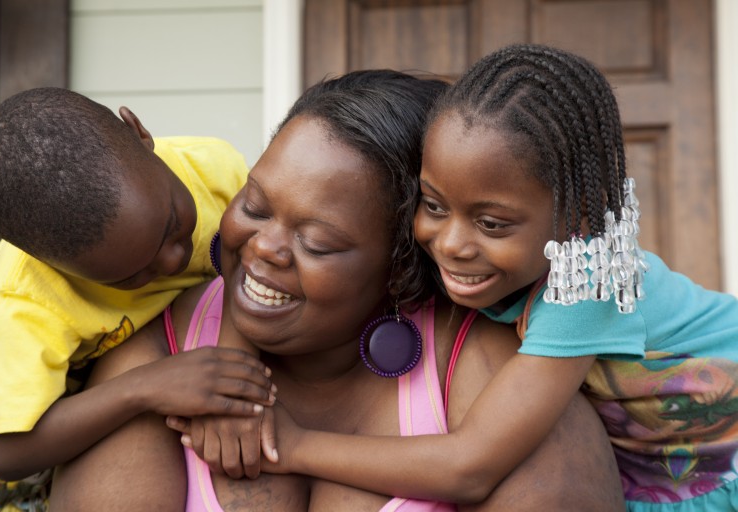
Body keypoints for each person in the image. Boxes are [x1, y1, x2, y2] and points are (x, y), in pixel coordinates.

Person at [48, 69, 624, 511]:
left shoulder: (490, 372)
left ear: (402, 266)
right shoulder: (152, 366)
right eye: (255, 206)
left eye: (318, 242)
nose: (265, 247)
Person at [241, 44, 738, 511]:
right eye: (433, 205)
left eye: (491, 223)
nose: (452, 243)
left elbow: (470, 466)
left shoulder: (587, 288)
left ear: (580, 217)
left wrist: (296, 445)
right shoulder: (501, 268)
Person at [0, 88, 275, 511]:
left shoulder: (212, 169)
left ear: (139, 133)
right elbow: (6, 455)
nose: (173, 261)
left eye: (172, 223)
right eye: (132, 275)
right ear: (45, 262)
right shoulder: (20, 302)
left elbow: (251, 259)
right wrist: (146, 387)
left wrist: (229, 355)